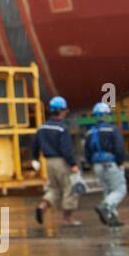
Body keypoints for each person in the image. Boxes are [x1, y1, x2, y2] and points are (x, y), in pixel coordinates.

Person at [33, 96, 81, 227]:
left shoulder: (42, 128)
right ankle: (68, 218)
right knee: (69, 188)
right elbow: (66, 148)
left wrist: (35, 158)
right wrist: (73, 164)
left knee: (54, 188)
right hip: (61, 161)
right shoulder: (62, 128)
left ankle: (42, 206)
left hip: (48, 162)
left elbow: (35, 144)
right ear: (61, 111)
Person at [85, 102, 128, 227]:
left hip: (97, 166)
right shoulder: (112, 129)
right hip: (111, 163)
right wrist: (120, 162)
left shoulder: (90, 132)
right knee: (120, 190)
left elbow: (87, 151)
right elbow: (119, 148)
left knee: (108, 191)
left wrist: (91, 164)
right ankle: (106, 206)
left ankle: (111, 217)